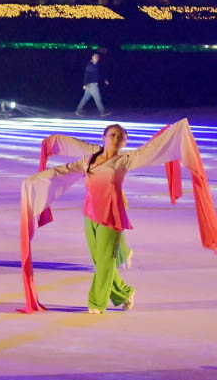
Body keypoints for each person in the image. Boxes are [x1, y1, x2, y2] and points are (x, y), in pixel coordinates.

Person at [19, 120, 217, 313]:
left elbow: (148, 152)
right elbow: (64, 170)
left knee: (105, 262)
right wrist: (34, 181)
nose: (116, 138)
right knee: (99, 261)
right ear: (104, 138)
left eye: (120, 137)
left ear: (124, 142)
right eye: (112, 135)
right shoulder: (89, 160)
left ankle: (96, 303)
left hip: (111, 215)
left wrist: (177, 132)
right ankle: (124, 292)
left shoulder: (124, 160)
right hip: (90, 214)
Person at [74, 52, 110, 117]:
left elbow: (99, 74)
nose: (97, 58)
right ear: (92, 57)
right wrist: (84, 84)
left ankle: (78, 110)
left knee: (85, 98)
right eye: (95, 57)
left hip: (90, 85)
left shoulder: (96, 65)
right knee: (98, 98)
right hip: (92, 85)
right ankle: (102, 112)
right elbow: (86, 75)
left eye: (97, 57)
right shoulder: (90, 65)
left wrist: (104, 80)